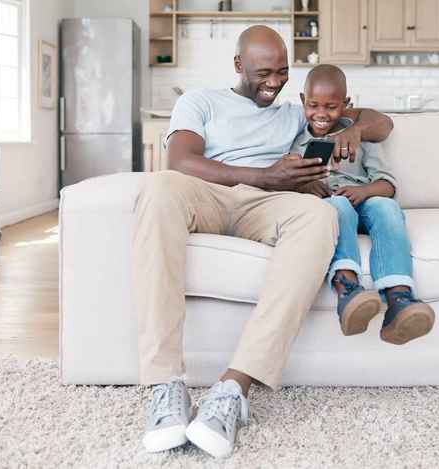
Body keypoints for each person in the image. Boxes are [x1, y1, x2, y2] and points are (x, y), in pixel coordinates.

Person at [134, 26, 394, 459]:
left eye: (283, 72)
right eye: (264, 72)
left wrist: (356, 130)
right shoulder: (200, 101)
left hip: (271, 204)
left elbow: (382, 122)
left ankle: (234, 390)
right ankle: (166, 386)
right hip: (209, 194)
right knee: (159, 188)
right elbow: (181, 160)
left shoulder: (296, 112)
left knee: (318, 214)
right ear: (238, 65)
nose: (275, 82)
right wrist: (262, 174)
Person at [290, 64, 435, 345]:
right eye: (313, 105)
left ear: (346, 105)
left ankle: (399, 298)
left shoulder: (362, 137)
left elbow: (388, 185)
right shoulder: (297, 141)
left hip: (366, 199)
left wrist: (364, 191)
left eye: (331, 107)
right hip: (331, 205)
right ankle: (348, 290)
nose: (321, 114)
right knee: (339, 207)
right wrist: (307, 186)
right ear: (302, 102)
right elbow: (290, 185)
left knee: (387, 208)